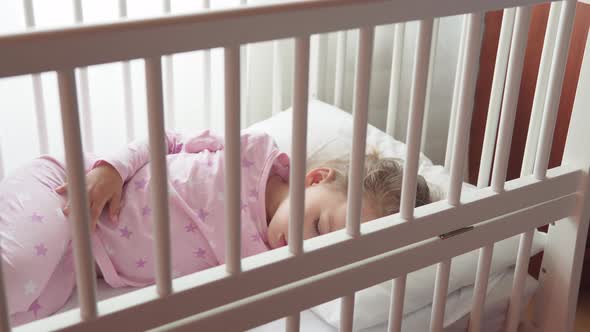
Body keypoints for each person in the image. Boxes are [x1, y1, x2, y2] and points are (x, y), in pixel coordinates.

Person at [0, 130, 430, 325]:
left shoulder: (266, 264)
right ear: (316, 179)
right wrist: (111, 169)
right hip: (69, 191)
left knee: (26, 310)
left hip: (84, 265)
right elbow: (165, 141)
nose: (303, 245)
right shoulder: (252, 155)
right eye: (318, 224)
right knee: (14, 272)